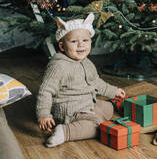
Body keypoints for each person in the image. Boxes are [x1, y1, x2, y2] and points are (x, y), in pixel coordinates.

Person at [36, 13, 126, 148]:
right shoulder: (59, 65)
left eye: (85, 40)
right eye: (73, 41)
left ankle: (90, 117)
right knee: (97, 126)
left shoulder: (86, 62)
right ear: (62, 46)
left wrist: (114, 91)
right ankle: (65, 132)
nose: (80, 45)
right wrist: (43, 114)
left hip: (85, 102)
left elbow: (96, 82)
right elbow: (45, 91)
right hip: (68, 109)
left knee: (108, 108)